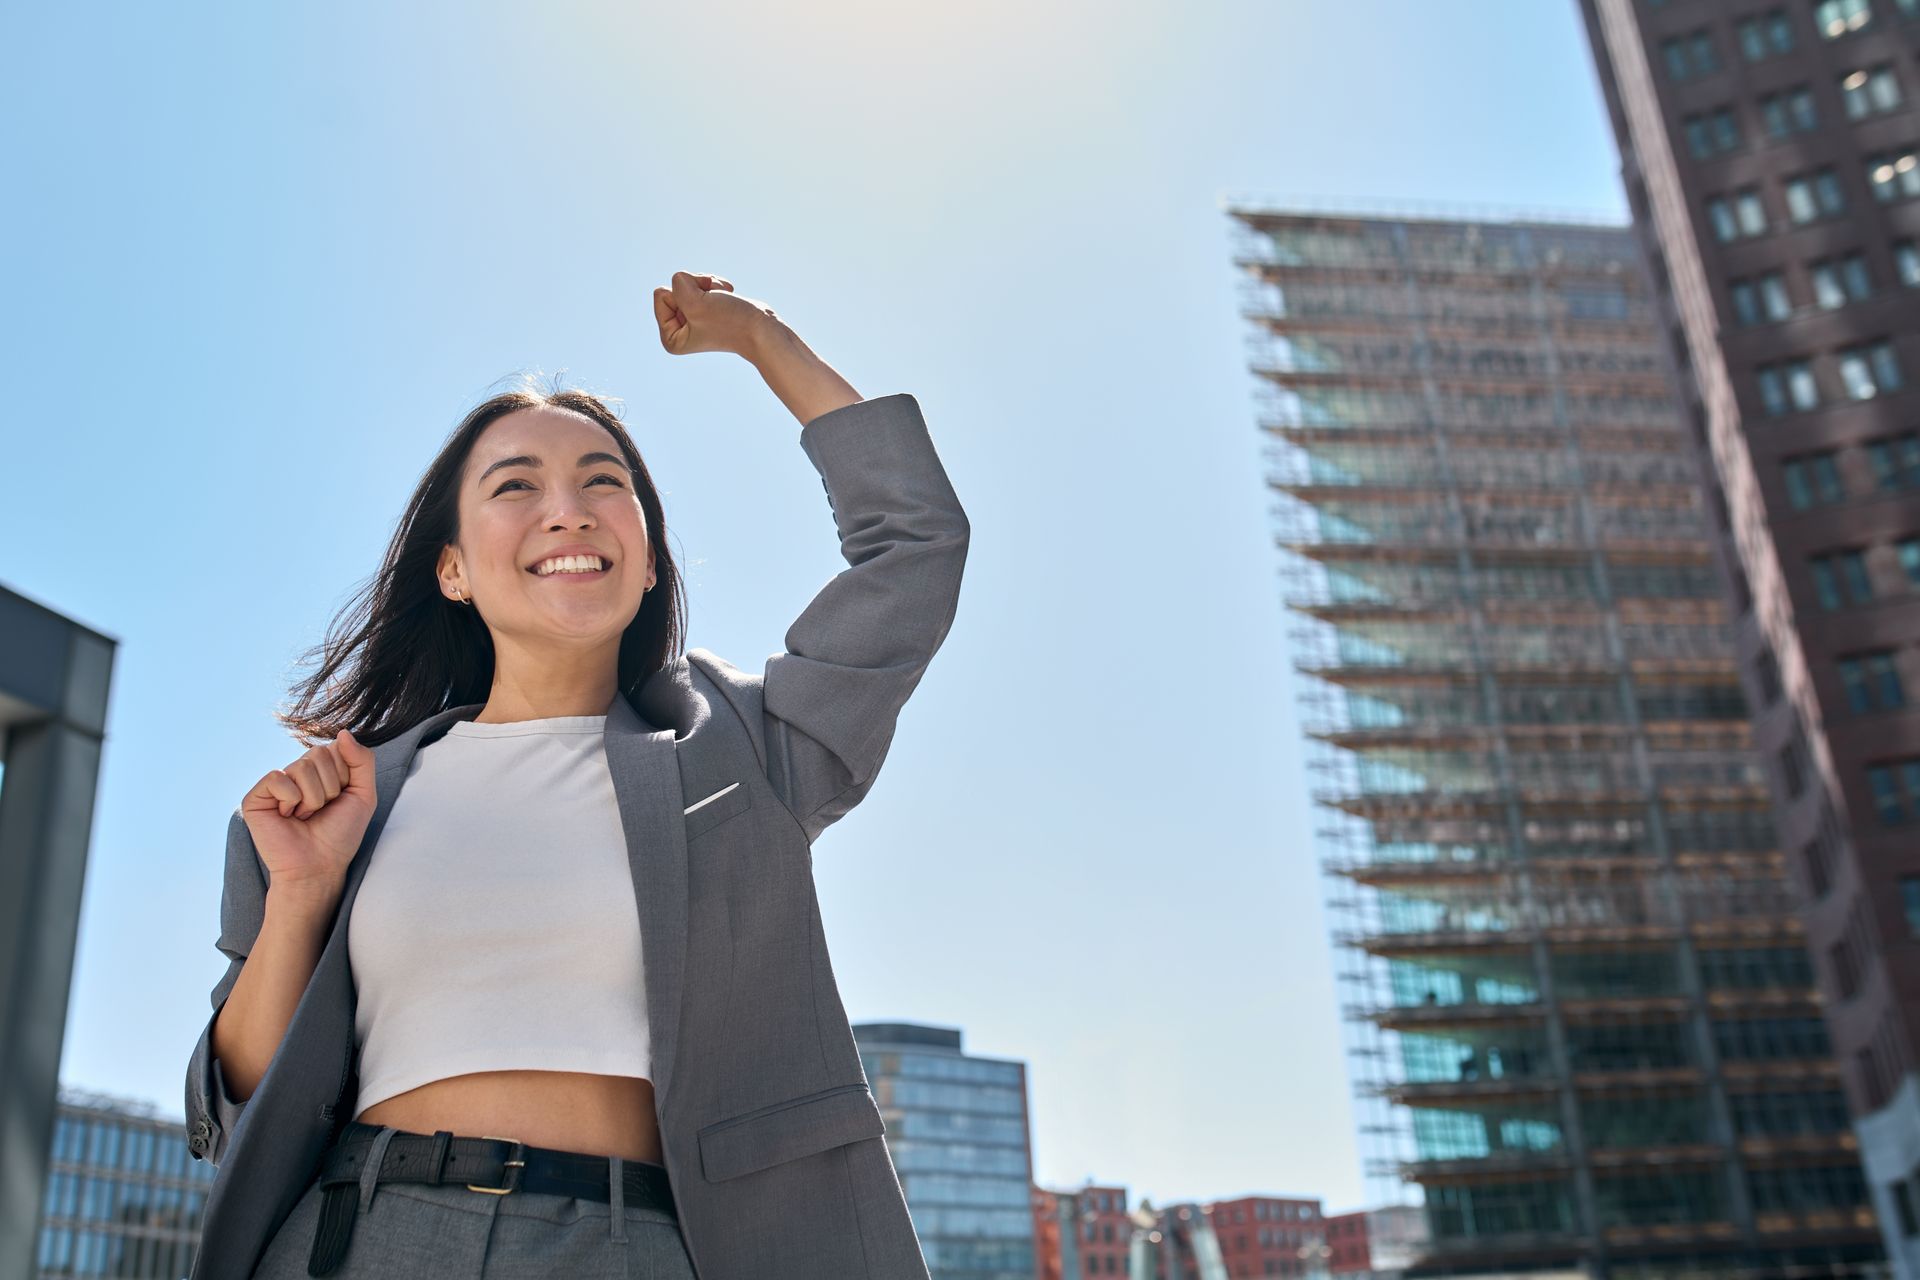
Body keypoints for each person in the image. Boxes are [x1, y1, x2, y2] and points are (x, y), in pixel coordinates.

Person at [183, 271, 970, 1279]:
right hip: (359, 1233)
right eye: (515, 486)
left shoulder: (743, 747)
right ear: (453, 568)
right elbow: (239, 1096)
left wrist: (761, 337)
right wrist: (299, 896)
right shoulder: (347, 797)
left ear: (646, 560)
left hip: (634, 1242)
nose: (569, 510)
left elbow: (914, 547)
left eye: (605, 481)